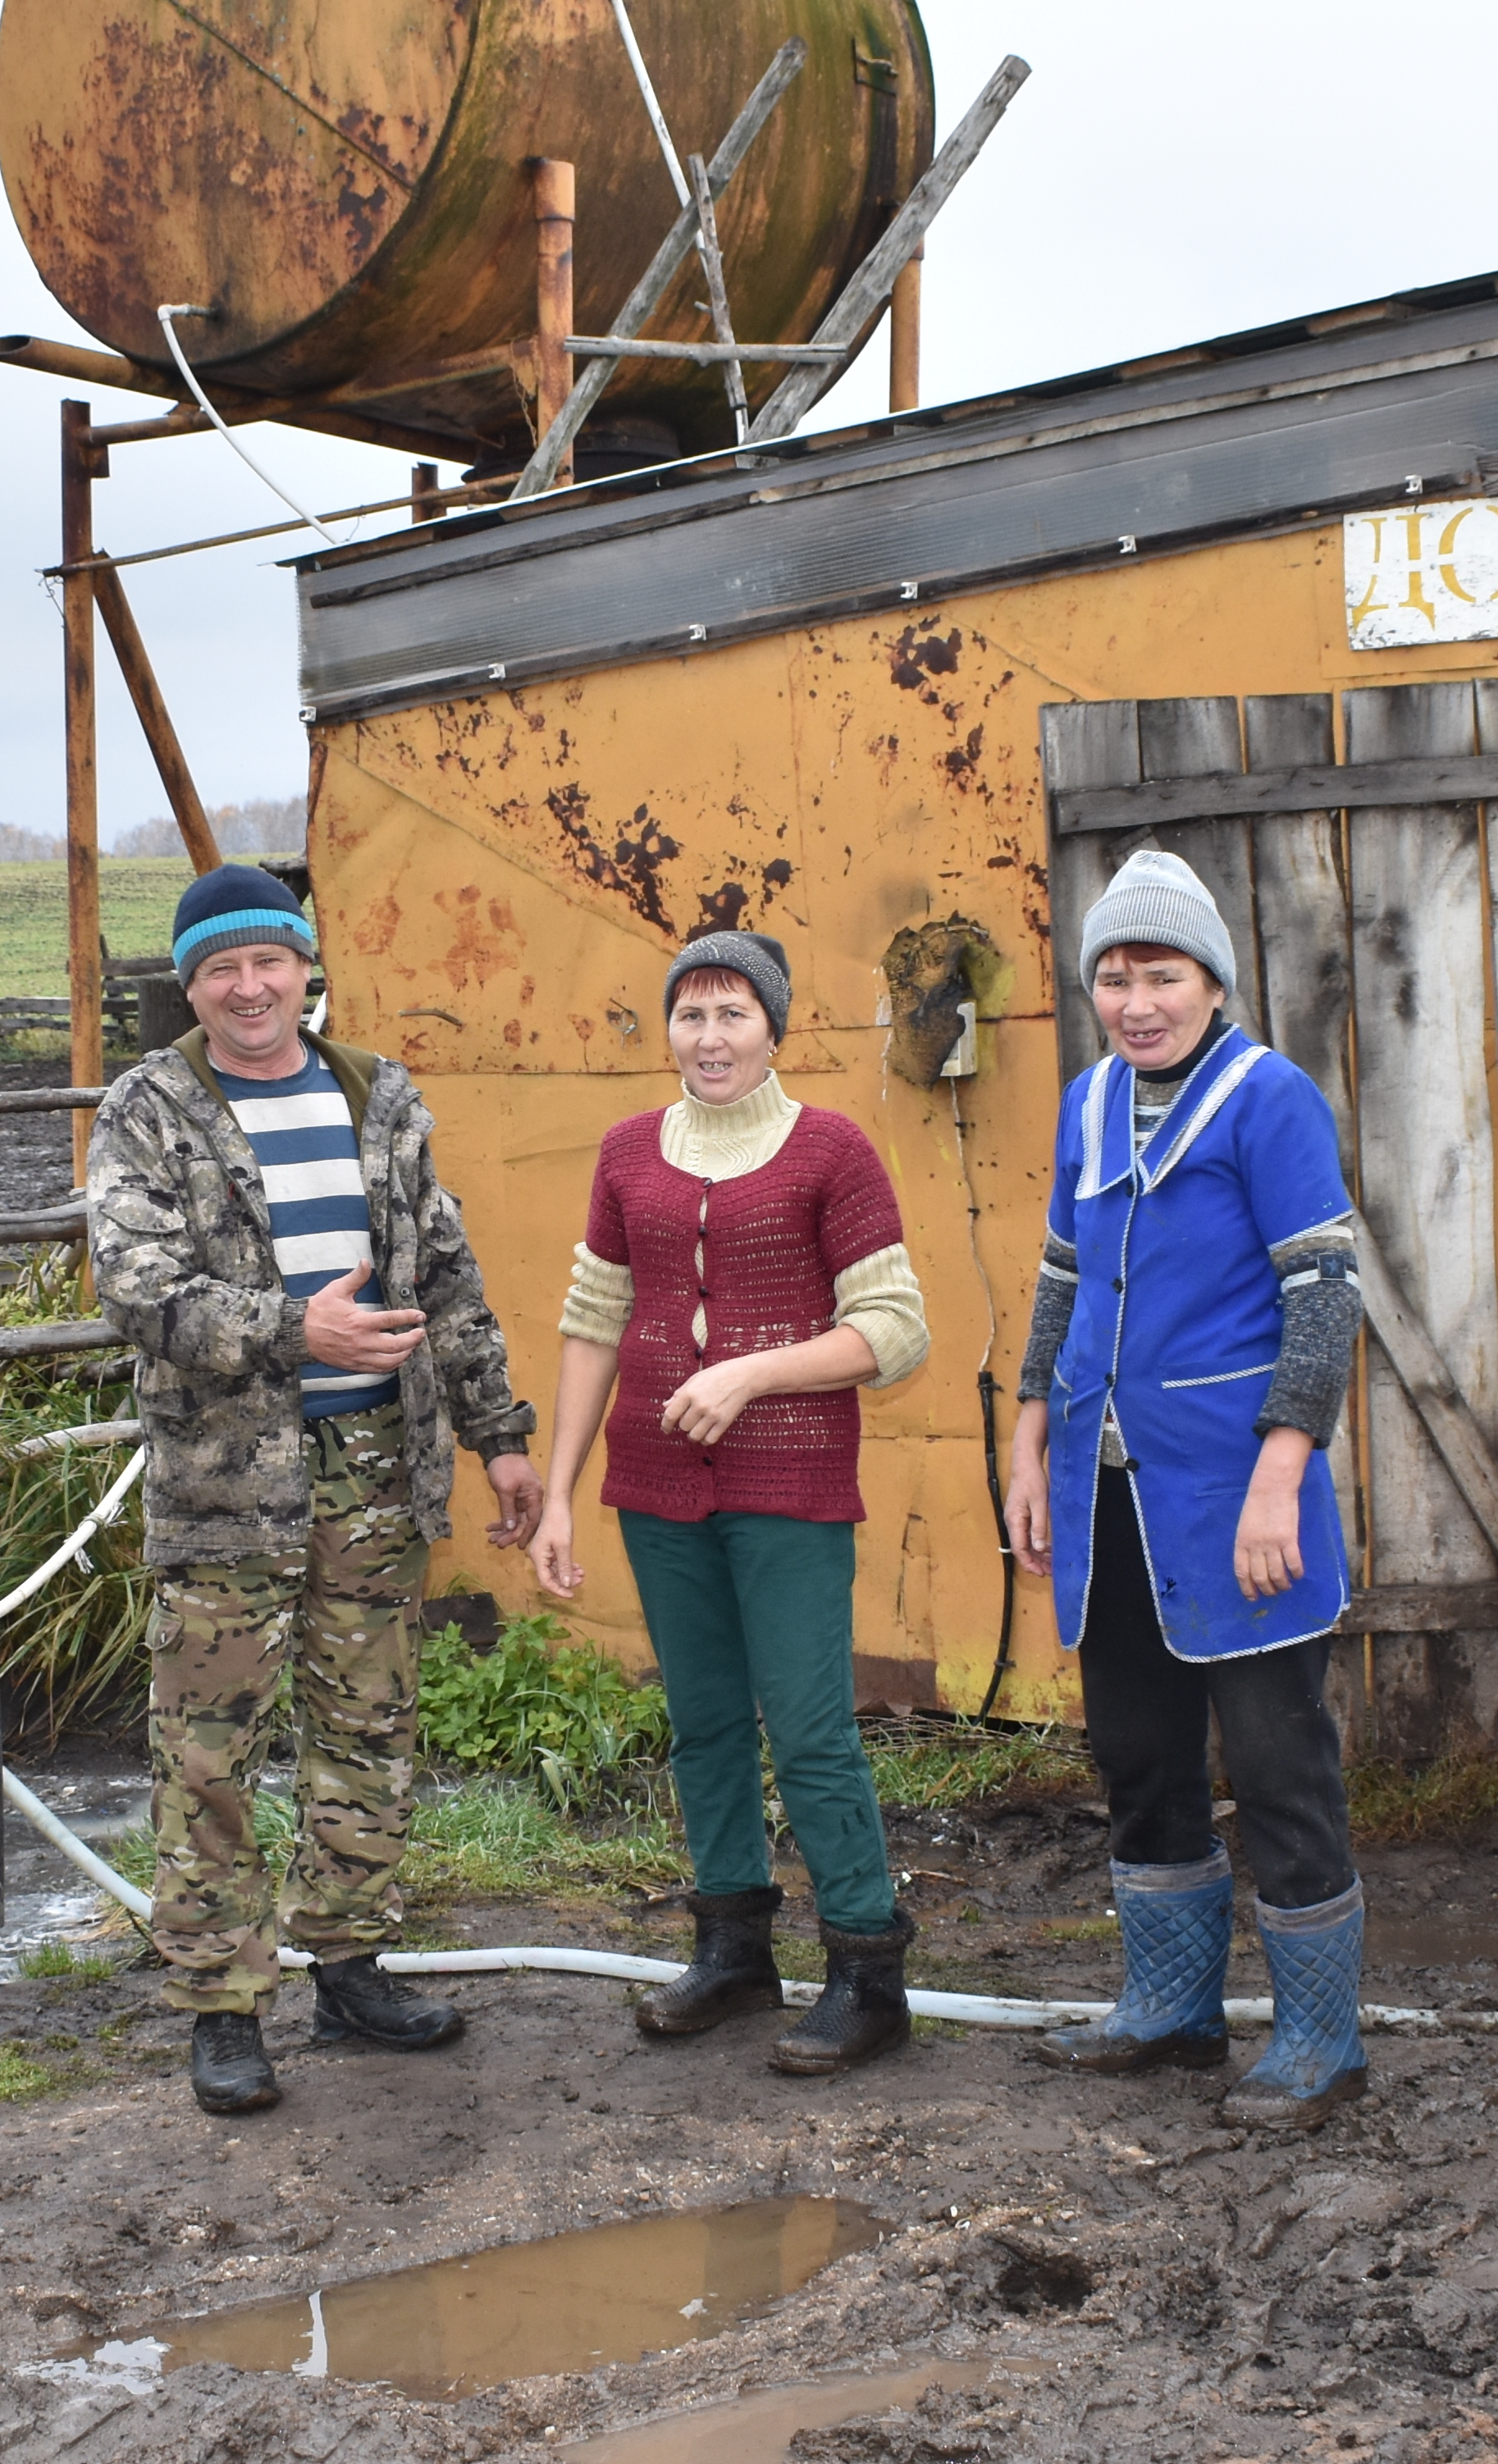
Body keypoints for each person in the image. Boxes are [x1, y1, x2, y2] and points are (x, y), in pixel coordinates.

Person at [87, 862, 542, 2116]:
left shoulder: (378, 1096)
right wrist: (300, 1333)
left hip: (375, 1472)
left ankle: (350, 1964)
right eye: (219, 969)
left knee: (367, 1727)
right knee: (212, 1748)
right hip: (226, 1483)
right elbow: (140, 1292)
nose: (248, 988)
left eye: (267, 962)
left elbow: (444, 1271)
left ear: (305, 969)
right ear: (191, 987)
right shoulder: (148, 1109)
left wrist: (499, 1432)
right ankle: (223, 2007)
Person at [1002, 846, 1372, 2129]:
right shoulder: (1090, 1104)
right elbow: (1060, 1275)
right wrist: (1028, 1434)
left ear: (1210, 982)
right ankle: (1170, 2012)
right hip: (1112, 1492)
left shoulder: (1270, 1102)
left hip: (1237, 1497)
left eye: (1160, 974)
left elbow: (1324, 1296)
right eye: (1114, 976)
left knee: (1279, 1765)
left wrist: (1285, 1473)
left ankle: (1322, 2041)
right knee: (1142, 1757)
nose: (1135, 1000)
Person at [526, 932, 934, 2074]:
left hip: (791, 1482)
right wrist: (558, 1494)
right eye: (691, 1015)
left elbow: (897, 1332)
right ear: (668, 1029)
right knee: (703, 1722)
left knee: (808, 1732)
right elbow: (593, 1321)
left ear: (775, 1027)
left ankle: (866, 1971)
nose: (710, 1038)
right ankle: (734, 1950)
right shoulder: (626, 1155)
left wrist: (751, 1373)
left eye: (733, 1015)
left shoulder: (831, 1153)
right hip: (656, 1487)